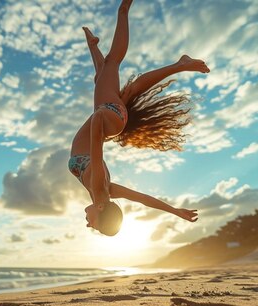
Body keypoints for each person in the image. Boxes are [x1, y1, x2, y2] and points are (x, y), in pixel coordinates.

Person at [68, 0, 210, 235]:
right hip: (107, 118)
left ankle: (94, 47)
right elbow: (95, 146)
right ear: (102, 209)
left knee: (110, 80)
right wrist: (99, 115)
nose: (88, 224)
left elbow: (144, 199)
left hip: (113, 120)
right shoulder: (99, 186)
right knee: (113, 62)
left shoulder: (106, 190)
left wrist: (175, 211)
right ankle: (124, 10)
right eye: (94, 225)